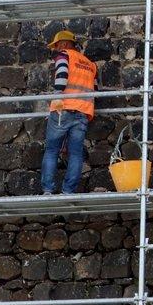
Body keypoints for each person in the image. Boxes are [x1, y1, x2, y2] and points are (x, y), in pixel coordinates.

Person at [42, 29, 98, 195]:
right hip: (82, 112)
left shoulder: (64, 55)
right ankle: (69, 191)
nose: (56, 49)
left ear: (65, 44)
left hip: (63, 108)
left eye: (57, 45)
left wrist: (58, 96)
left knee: (52, 150)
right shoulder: (90, 64)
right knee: (75, 153)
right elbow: (95, 89)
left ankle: (47, 190)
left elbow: (62, 74)